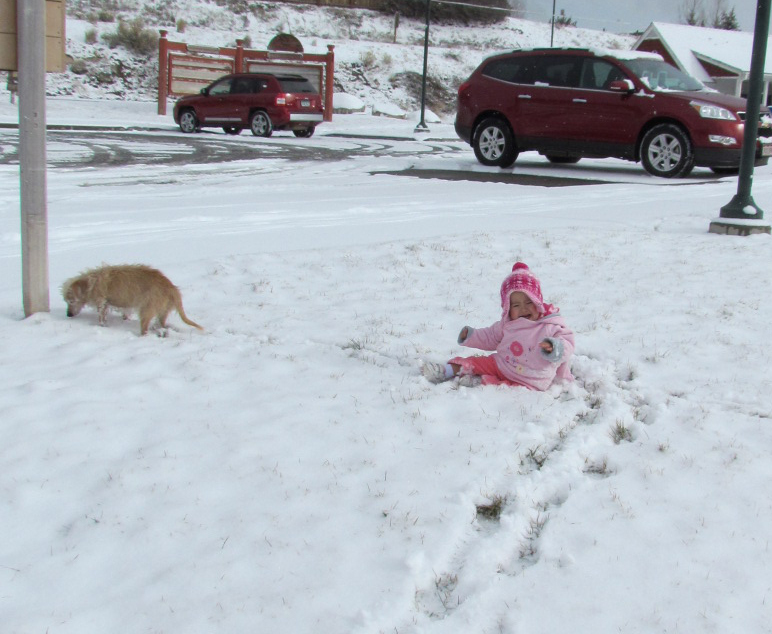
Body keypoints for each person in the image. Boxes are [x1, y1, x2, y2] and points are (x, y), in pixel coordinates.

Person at [422, 262, 574, 390]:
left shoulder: (549, 325)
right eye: (516, 305)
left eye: (529, 302)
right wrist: (471, 336)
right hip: (502, 364)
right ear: (507, 308)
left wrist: (555, 347)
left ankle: (480, 381)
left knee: (507, 387)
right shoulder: (508, 324)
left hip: (531, 378)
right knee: (476, 362)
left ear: (538, 302)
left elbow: (567, 342)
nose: (523, 308)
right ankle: (446, 371)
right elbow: (489, 337)